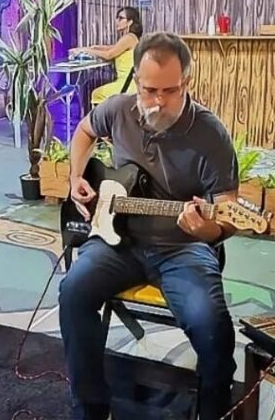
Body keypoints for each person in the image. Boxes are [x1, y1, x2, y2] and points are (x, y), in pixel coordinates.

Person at [61, 32, 239, 420]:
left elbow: (227, 213)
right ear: (137, 81)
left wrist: (205, 231)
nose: (158, 101)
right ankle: (90, 409)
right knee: (73, 292)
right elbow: (85, 131)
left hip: (182, 249)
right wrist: (75, 176)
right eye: (149, 90)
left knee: (213, 328)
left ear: (187, 82)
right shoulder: (118, 109)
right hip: (117, 241)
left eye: (170, 91)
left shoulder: (210, 133)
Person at [70, 6, 142, 107]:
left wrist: (86, 50)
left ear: (130, 22)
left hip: (128, 84)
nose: (117, 21)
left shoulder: (129, 38)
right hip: (129, 82)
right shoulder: (130, 38)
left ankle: (102, 117)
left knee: (97, 94)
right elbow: (112, 48)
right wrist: (94, 47)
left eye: (121, 18)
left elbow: (109, 55)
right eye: (117, 18)